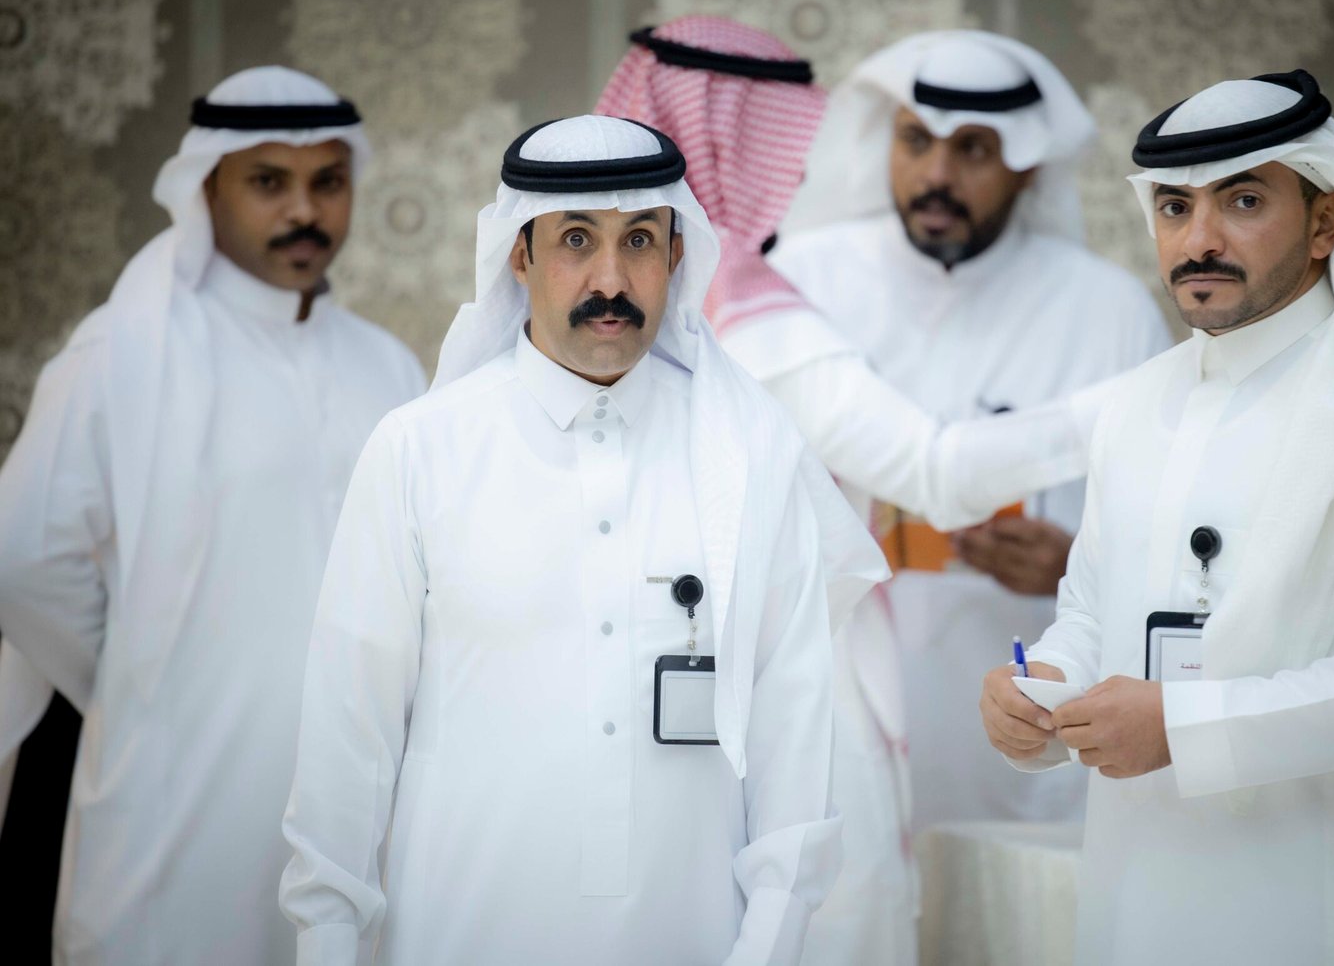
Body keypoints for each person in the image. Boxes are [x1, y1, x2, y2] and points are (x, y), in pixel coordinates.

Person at [278, 115, 886, 965]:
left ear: (677, 254)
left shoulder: (750, 453)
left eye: (639, 240)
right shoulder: (420, 450)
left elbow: (795, 743)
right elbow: (349, 737)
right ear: (519, 256)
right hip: (459, 935)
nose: (611, 279)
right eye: (575, 239)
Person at [979, 70, 1334, 965]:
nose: (1199, 239)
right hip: (1138, 894)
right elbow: (1092, 608)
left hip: (1331, 909)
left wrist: (1186, 727)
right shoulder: (1137, 405)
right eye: (1174, 207)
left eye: (1242, 201)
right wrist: (1041, 685)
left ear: (1325, 222)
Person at [595, 16, 1111, 965]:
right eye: (780, 136)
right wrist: (1144, 400)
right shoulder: (743, 302)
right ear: (730, 141)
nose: (801, 167)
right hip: (776, 687)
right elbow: (935, 472)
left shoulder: (631, 308)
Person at [0, 66, 425, 964]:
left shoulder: (386, 365)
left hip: (349, 794)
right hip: (175, 792)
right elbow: (24, 554)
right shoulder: (125, 350)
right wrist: (139, 673)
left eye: (328, 181)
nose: (304, 210)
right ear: (207, 188)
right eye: (269, 181)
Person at [772, 30, 1172, 832]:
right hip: (835, 740)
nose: (937, 176)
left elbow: (1175, 542)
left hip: (1031, 754)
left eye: (973, 150)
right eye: (916, 142)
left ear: (1026, 165)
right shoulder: (798, 281)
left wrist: (1073, 567)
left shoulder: (1109, 310)